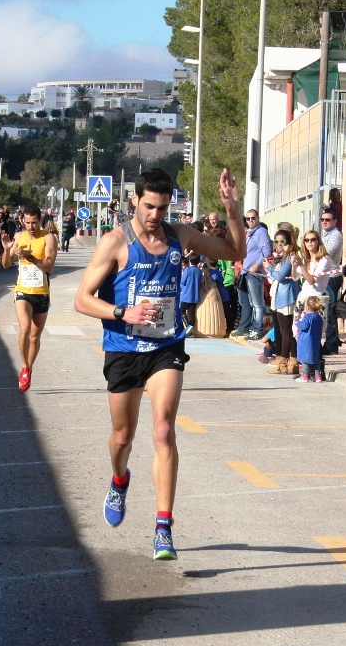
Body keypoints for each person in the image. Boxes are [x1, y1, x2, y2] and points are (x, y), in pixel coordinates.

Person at [73, 167, 245, 560]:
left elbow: (234, 252)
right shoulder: (115, 242)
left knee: (164, 431)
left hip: (166, 345)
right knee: (122, 437)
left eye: (163, 207)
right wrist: (123, 312)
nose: (155, 215)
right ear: (135, 200)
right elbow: (82, 299)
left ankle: (163, 528)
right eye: (149, 206)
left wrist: (232, 211)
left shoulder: (179, 236)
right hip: (123, 348)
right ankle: (119, 480)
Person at [2, 205, 58, 392]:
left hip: (41, 292)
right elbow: (6, 264)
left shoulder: (48, 238)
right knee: (24, 328)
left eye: (34, 223)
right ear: (22, 221)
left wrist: (31, 257)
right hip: (22, 291)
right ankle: (24, 367)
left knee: (35, 336)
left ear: (40, 220)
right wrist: (7, 250)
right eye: (27, 223)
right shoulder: (19, 237)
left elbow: (49, 266)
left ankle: (29, 368)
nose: (31, 227)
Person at [265, 228, 301, 375]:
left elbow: (280, 276)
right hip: (279, 296)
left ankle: (283, 363)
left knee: (286, 331)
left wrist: (269, 267)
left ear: (289, 242)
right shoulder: (280, 257)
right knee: (285, 331)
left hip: (286, 297)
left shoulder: (289, 257)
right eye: (276, 241)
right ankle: (293, 361)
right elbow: (274, 278)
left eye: (283, 241)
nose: (279, 244)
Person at [234, 209, 271, 340]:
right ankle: (251, 328)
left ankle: (258, 329)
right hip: (245, 271)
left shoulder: (261, 232)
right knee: (250, 302)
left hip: (254, 272)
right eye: (248, 218)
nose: (250, 221)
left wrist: (256, 266)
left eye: (253, 218)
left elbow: (266, 251)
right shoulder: (250, 233)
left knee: (257, 303)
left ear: (258, 218)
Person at [295, 296, 324, 382]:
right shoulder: (319, 317)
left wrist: (298, 323)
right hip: (315, 340)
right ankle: (318, 376)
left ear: (307, 307)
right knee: (315, 359)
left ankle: (305, 375)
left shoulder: (307, 317)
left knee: (305, 359)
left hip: (306, 341)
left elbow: (304, 326)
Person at [179, 252, 201, 335]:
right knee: (192, 313)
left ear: (189, 261)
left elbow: (182, 281)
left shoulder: (187, 270)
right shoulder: (199, 271)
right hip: (195, 296)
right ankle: (191, 327)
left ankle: (188, 326)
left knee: (181, 311)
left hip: (186, 295)